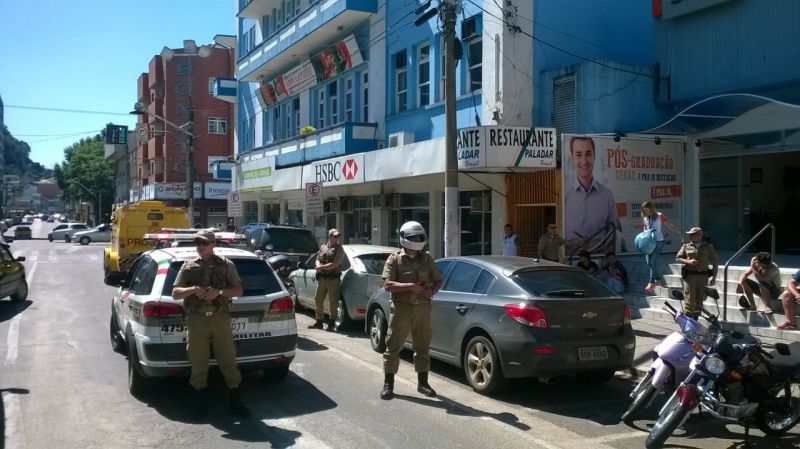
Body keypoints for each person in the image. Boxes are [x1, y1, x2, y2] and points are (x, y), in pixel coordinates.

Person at [171, 230, 250, 419]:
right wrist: (193, 289)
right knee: (198, 361)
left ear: (213, 244)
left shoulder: (226, 265)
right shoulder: (188, 266)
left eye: (205, 242)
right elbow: (175, 293)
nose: (201, 246)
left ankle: (235, 401)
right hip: (196, 319)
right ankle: (199, 402)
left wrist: (219, 292)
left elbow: (238, 290)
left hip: (219, 317)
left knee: (228, 359)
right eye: (198, 242)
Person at [380, 221, 443, 400]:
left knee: (422, 345)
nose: (416, 241)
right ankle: (388, 384)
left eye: (419, 238)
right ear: (404, 238)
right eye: (413, 238)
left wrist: (432, 291)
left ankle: (423, 383)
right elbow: (387, 285)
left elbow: (438, 280)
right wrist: (409, 286)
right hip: (402, 308)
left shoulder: (427, 259)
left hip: (422, 308)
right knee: (393, 345)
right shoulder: (395, 259)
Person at [564, 136, 618, 255]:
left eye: (588, 154)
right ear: (572, 158)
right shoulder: (563, 195)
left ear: (594, 156)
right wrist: (570, 245)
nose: (584, 161)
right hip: (569, 260)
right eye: (579, 155)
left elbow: (612, 233)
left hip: (599, 259)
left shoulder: (607, 195)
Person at [675, 227, 718, 319]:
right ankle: (689, 322)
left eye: (692, 234)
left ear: (699, 236)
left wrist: (714, 278)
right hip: (690, 277)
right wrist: (688, 262)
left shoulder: (708, 247)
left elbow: (715, 263)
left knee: (700, 299)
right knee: (689, 299)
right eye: (690, 234)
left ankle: (695, 320)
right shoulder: (686, 246)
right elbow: (678, 258)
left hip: (703, 276)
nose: (690, 236)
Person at [641, 201, 681, 293]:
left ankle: (651, 283)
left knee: (652, 262)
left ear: (651, 209)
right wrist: (643, 236)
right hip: (649, 242)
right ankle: (658, 279)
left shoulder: (659, 215)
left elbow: (668, 225)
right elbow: (645, 227)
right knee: (649, 263)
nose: (645, 212)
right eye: (644, 210)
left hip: (658, 241)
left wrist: (677, 232)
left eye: (646, 210)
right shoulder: (645, 217)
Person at [310, 228, 344, 331]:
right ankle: (319, 321)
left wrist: (321, 267)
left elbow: (335, 264)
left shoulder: (339, 249)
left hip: (333, 279)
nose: (337, 238)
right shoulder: (323, 247)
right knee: (318, 299)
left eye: (338, 236)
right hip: (322, 278)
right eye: (335, 236)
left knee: (333, 302)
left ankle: (331, 323)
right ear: (329, 236)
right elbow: (317, 259)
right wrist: (318, 265)